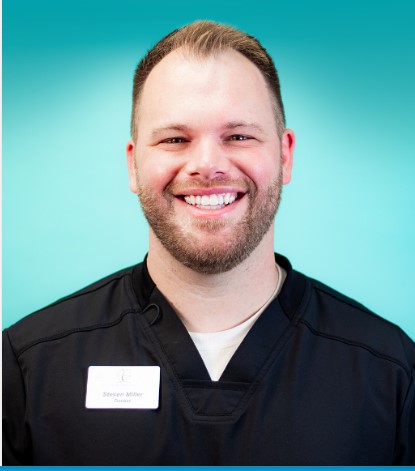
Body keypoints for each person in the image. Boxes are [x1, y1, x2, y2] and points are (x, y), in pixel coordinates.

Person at [2, 20, 414, 466]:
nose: (207, 165)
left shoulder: (391, 374)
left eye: (238, 136)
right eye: (175, 139)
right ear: (133, 164)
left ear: (285, 154)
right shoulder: (27, 369)